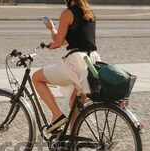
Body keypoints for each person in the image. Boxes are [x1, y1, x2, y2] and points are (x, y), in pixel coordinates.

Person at [32, 0, 100, 134]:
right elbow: (65, 40)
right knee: (74, 104)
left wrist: (51, 45)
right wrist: (52, 27)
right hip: (93, 62)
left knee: (36, 78)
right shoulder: (89, 12)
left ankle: (56, 114)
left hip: (76, 62)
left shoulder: (67, 13)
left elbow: (57, 43)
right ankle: (71, 144)